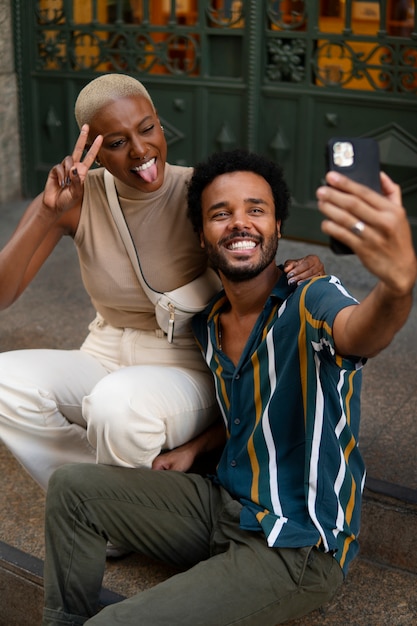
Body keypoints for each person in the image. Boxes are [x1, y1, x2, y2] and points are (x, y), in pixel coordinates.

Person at [41, 149, 416, 625]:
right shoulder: (211, 322)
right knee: (72, 488)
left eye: (256, 210)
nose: (240, 223)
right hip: (224, 506)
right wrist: (196, 447)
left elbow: (361, 331)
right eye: (222, 214)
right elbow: (251, 405)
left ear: (278, 226)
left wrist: (398, 286)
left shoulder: (312, 298)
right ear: (202, 236)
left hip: (295, 544)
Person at [0, 74, 323, 491]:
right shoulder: (74, 197)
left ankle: (117, 508)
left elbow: (255, 253)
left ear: (160, 124)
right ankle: (92, 496)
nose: (140, 150)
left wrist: (310, 266)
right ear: (95, 152)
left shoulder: (201, 191)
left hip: (184, 362)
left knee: (117, 407)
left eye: (147, 129)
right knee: (7, 381)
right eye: (116, 143)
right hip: (103, 350)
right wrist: (46, 213)